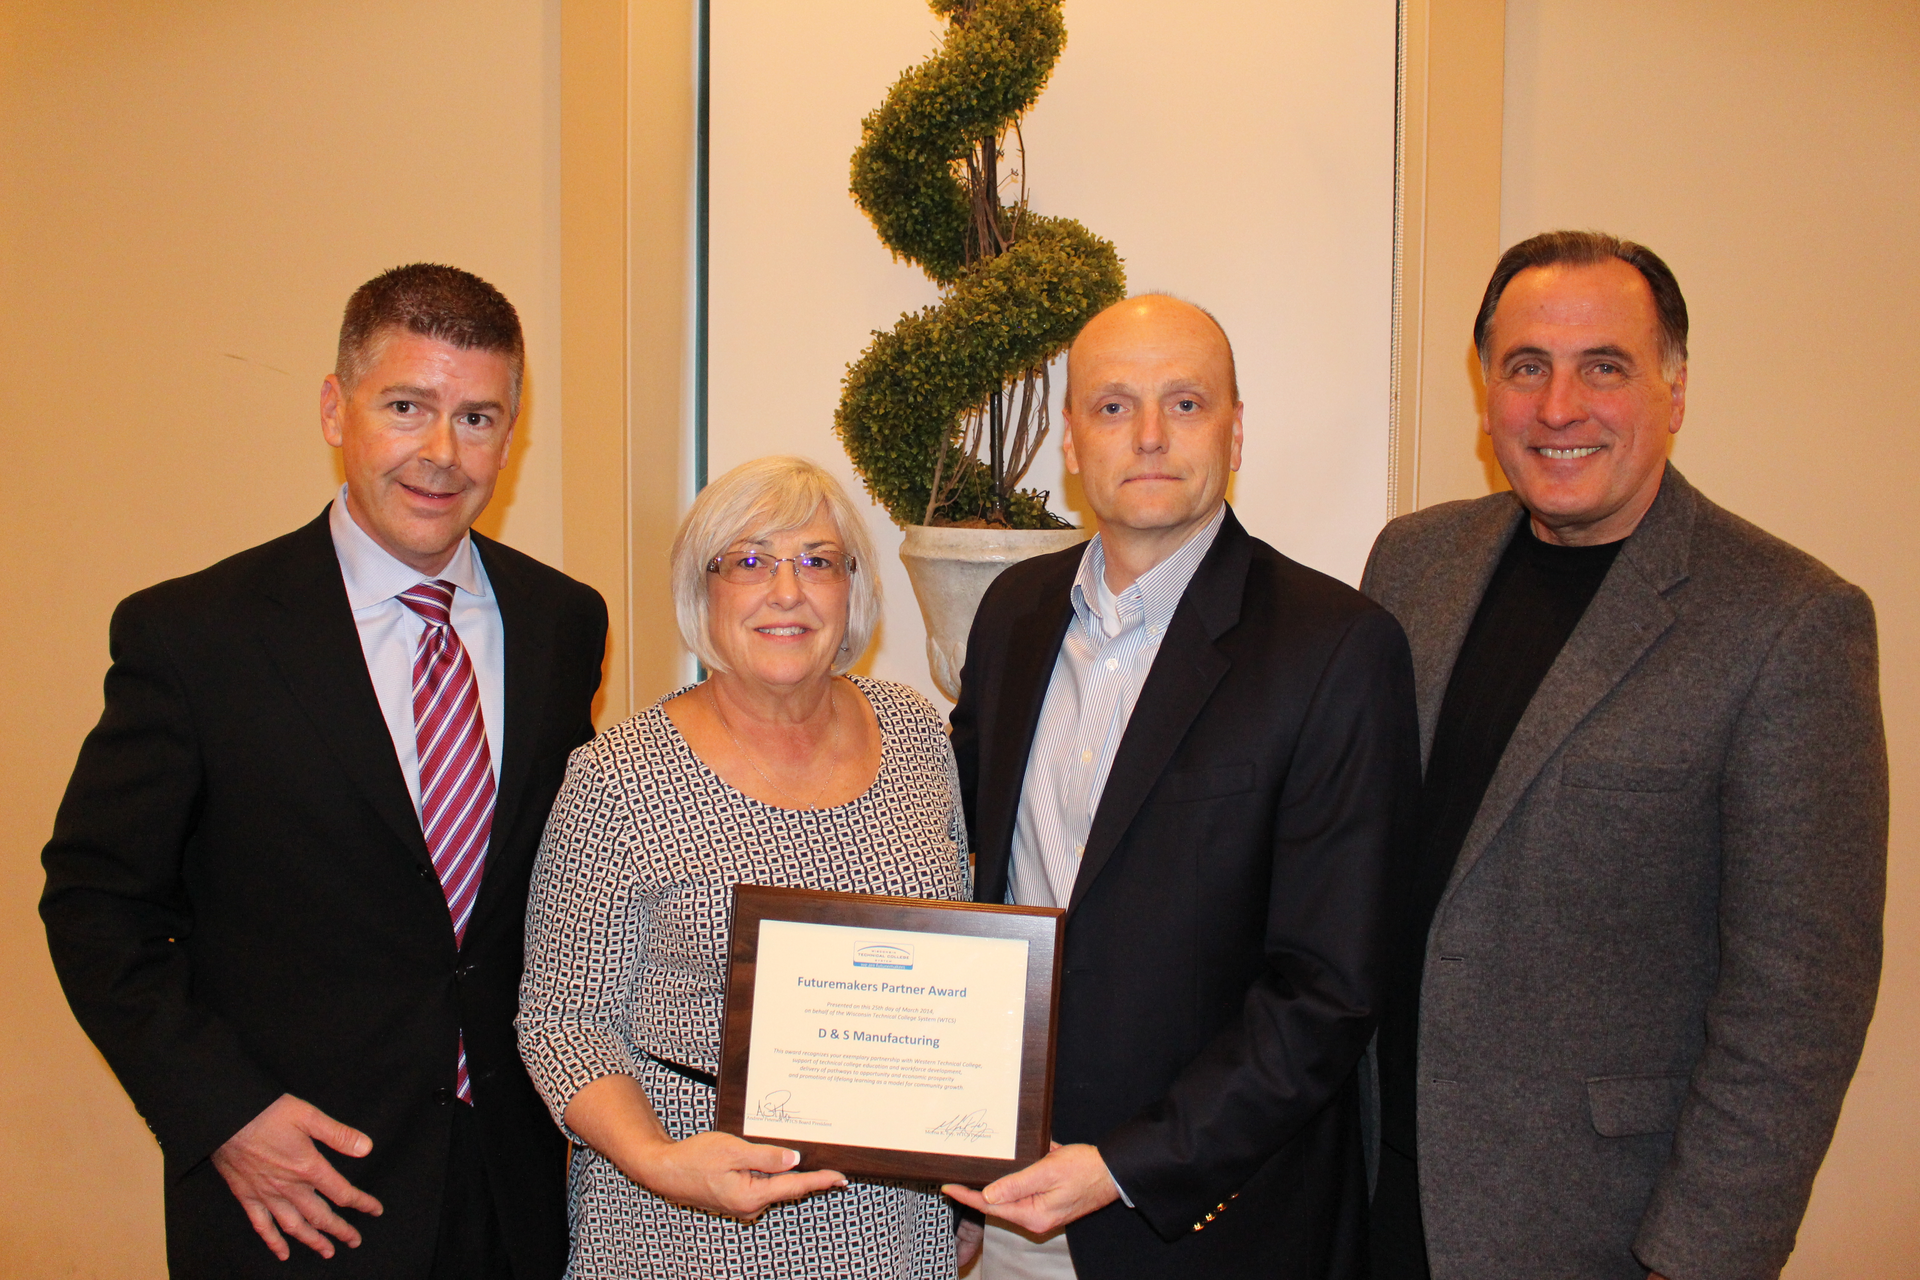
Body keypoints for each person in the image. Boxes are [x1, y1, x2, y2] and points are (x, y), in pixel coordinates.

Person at [40, 264, 608, 1278]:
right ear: (334, 409)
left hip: (510, 1192)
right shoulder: (195, 635)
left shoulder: (564, 621)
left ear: (513, 434)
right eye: (407, 406)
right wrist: (224, 1114)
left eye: (479, 417)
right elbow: (96, 904)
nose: (443, 452)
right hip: (294, 1191)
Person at [1361, 231, 1886, 1280]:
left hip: (1592, 1227)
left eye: (1604, 365)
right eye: (1526, 367)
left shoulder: (1791, 623)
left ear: (1675, 389)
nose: (1560, 407)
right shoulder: (1412, 561)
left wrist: (1693, 1260)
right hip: (1369, 1193)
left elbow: (1796, 1009)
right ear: (1486, 391)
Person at [943, 294, 1421, 1279]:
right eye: (1114, 406)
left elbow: (1329, 990)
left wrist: (1124, 1164)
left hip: (1206, 1222)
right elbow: (971, 886)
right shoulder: (1012, 616)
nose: (1150, 435)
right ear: (1070, 441)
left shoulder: (1335, 647)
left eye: (1187, 403)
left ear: (1236, 429)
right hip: (1003, 1209)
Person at [517, 455, 972, 1279]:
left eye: (817, 562)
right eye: (751, 561)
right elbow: (561, 1022)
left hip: (896, 1230)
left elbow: (958, 968)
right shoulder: (620, 776)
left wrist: (964, 1169)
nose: (788, 592)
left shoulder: (915, 738)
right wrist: (658, 1160)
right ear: (704, 591)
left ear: (853, 590)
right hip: (684, 1222)